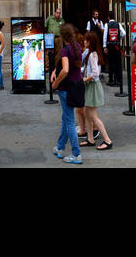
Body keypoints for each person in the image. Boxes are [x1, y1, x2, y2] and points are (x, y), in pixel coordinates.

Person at [50, 22, 85, 164]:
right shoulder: (77, 47)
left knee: (69, 120)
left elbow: (65, 70)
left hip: (67, 88)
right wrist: (55, 71)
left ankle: (76, 154)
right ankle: (60, 147)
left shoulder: (65, 50)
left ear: (62, 36)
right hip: (77, 86)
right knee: (66, 117)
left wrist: (55, 83)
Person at [81, 28, 112, 150]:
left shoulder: (92, 55)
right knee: (88, 114)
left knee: (92, 115)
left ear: (90, 42)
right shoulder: (90, 53)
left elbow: (94, 73)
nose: (84, 42)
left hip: (92, 86)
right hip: (91, 86)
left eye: (86, 40)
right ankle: (90, 139)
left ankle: (107, 140)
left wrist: (84, 79)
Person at [104, 15, 124, 88]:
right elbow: (124, 33)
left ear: (108, 17)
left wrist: (104, 46)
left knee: (110, 62)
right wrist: (119, 38)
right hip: (117, 46)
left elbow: (105, 36)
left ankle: (111, 80)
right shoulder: (118, 24)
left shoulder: (107, 25)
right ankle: (118, 80)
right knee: (117, 63)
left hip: (110, 46)